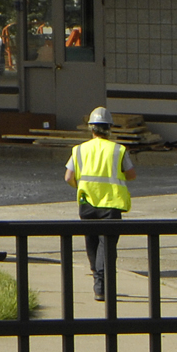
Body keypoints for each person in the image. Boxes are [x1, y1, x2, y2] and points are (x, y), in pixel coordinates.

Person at [63, 106, 135, 302]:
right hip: (111, 205)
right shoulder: (118, 150)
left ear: (91, 128)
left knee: (92, 243)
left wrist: (81, 187)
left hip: (87, 204)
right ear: (109, 128)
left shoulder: (79, 150)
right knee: (107, 245)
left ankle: (98, 280)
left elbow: (68, 176)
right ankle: (101, 284)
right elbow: (131, 175)